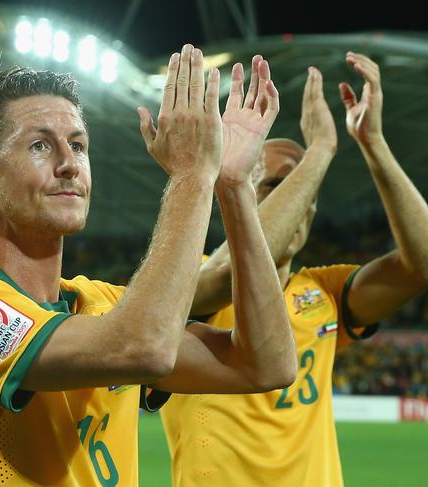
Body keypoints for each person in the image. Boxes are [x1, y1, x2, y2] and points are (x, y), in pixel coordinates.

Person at [0, 44, 297, 486]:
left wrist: (233, 185)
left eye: (77, 145)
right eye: (39, 145)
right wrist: (190, 176)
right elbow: (142, 346)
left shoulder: (102, 305)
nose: (69, 165)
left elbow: (266, 365)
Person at [160, 52, 428, 486]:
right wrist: (318, 153)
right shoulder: (188, 282)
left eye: (305, 192)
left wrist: (372, 142)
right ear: (235, 191)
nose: (299, 203)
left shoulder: (325, 294)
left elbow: (421, 264)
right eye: (275, 185)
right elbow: (237, 271)